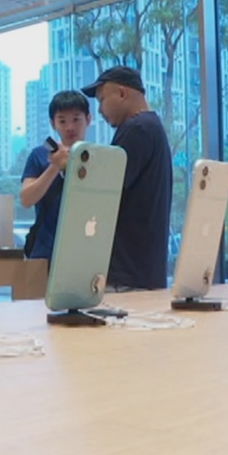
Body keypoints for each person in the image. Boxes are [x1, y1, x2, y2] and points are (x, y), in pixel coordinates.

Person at [80, 66, 173, 291]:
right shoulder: (153, 127)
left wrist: (73, 167)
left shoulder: (136, 129)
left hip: (127, 276)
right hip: (145, 272)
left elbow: (105, 189)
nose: (100, 110)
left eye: (102, 100)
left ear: (122, 93)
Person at [19, 90, 92, 260]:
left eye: (76, 119)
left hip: (86, 250)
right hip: (45, 250)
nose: (70, 127)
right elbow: (26, 199)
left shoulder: (97, 157)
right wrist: (55, 166)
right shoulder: (40, 155)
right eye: (62, 121)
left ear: (88, 119)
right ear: (53, 123)